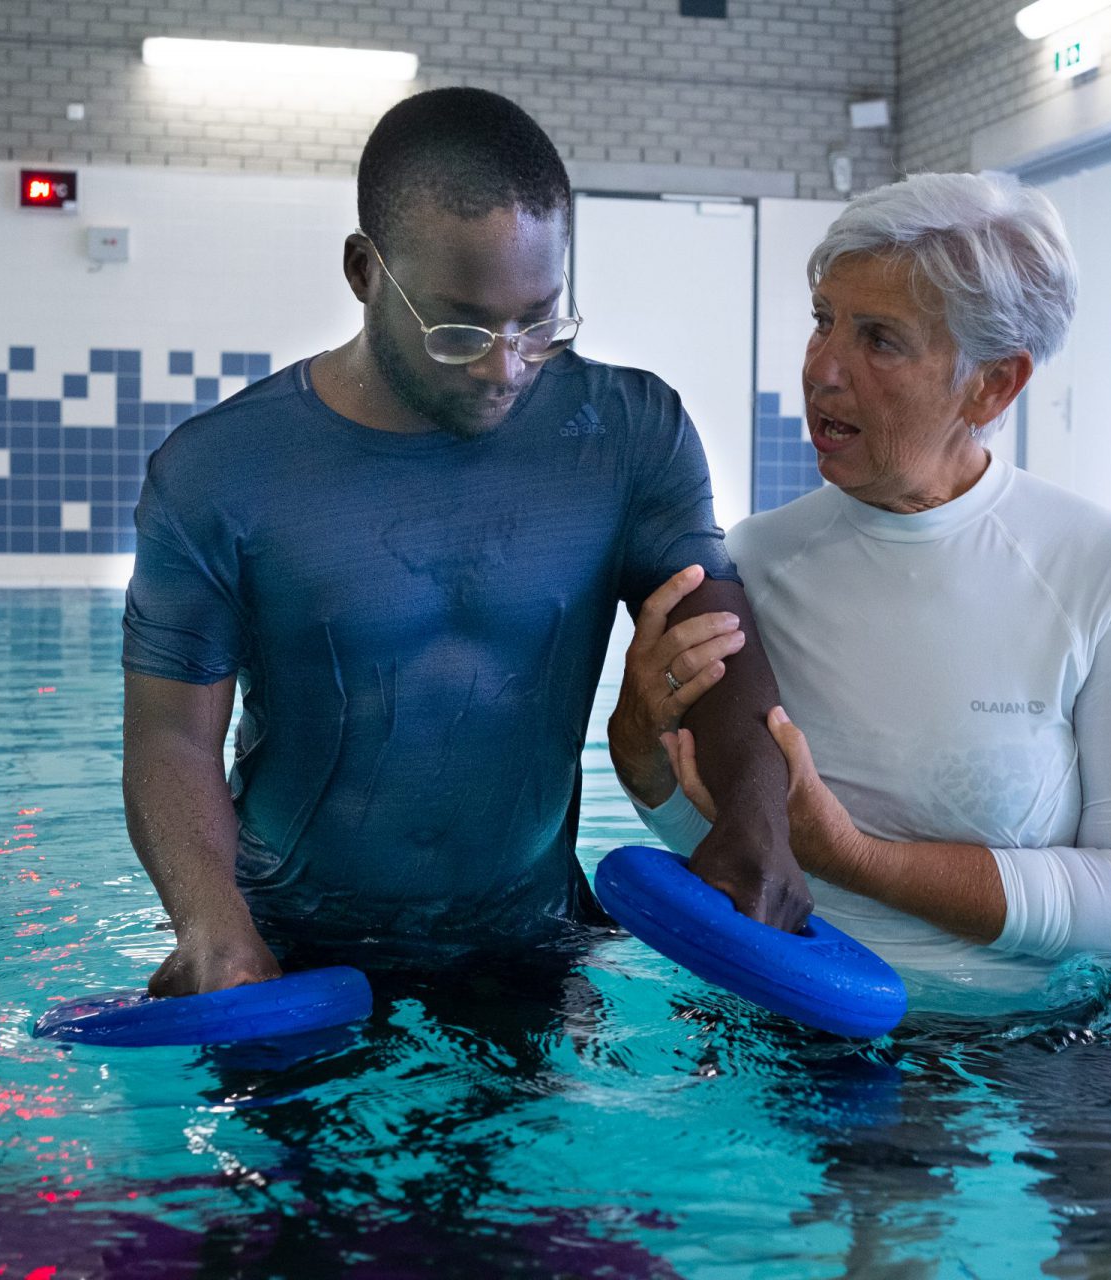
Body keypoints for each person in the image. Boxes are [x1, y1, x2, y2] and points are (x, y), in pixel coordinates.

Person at [121, 87, 809, 997]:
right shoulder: (219, 471)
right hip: (290, 947)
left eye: (539, 320)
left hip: (531, 936)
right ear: (365, 271)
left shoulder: (629, 432)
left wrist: (757, 827)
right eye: (461, 330)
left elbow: (713, 633)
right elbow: (171, 737)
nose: (505, 364)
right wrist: (214, 927)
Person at [610, 171, 1111, 1003]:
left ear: (993, 383)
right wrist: (642, 758)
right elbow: (731, 853)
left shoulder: (1107, 570)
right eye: (823, 322)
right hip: (814, 1021)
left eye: (879, 340)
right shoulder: (756, 563)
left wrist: (858, 859)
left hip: (1043, 1033)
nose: (822, 368)